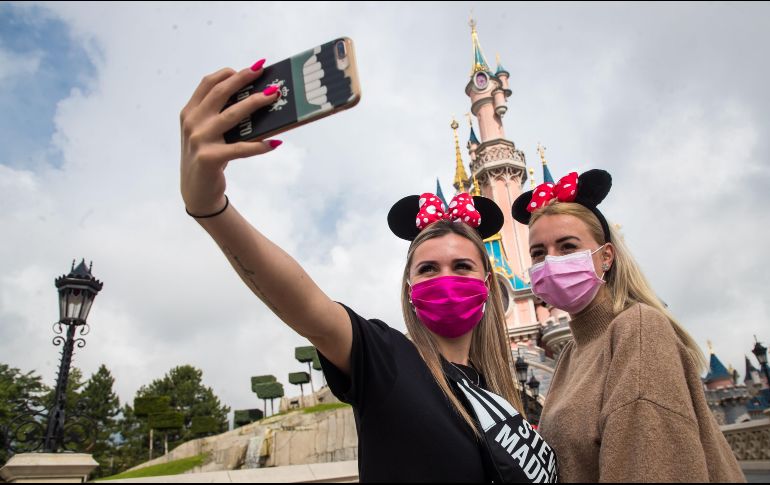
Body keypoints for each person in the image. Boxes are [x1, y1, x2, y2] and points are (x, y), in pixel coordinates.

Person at [180, 63, 558, 482]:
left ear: (488, 285)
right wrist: (211, 208)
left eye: (462, 266)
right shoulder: (389, 363)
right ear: (409, 285)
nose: (445, 277)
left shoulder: (497, 393)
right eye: (428, 268)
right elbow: (305, 303)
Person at [512, 170, 745, 482]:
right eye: (538, 253)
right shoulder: (572, 351)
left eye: (567, 247)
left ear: (606, 256)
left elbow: (650, 466)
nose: (551, 262)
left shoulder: (638, 328)